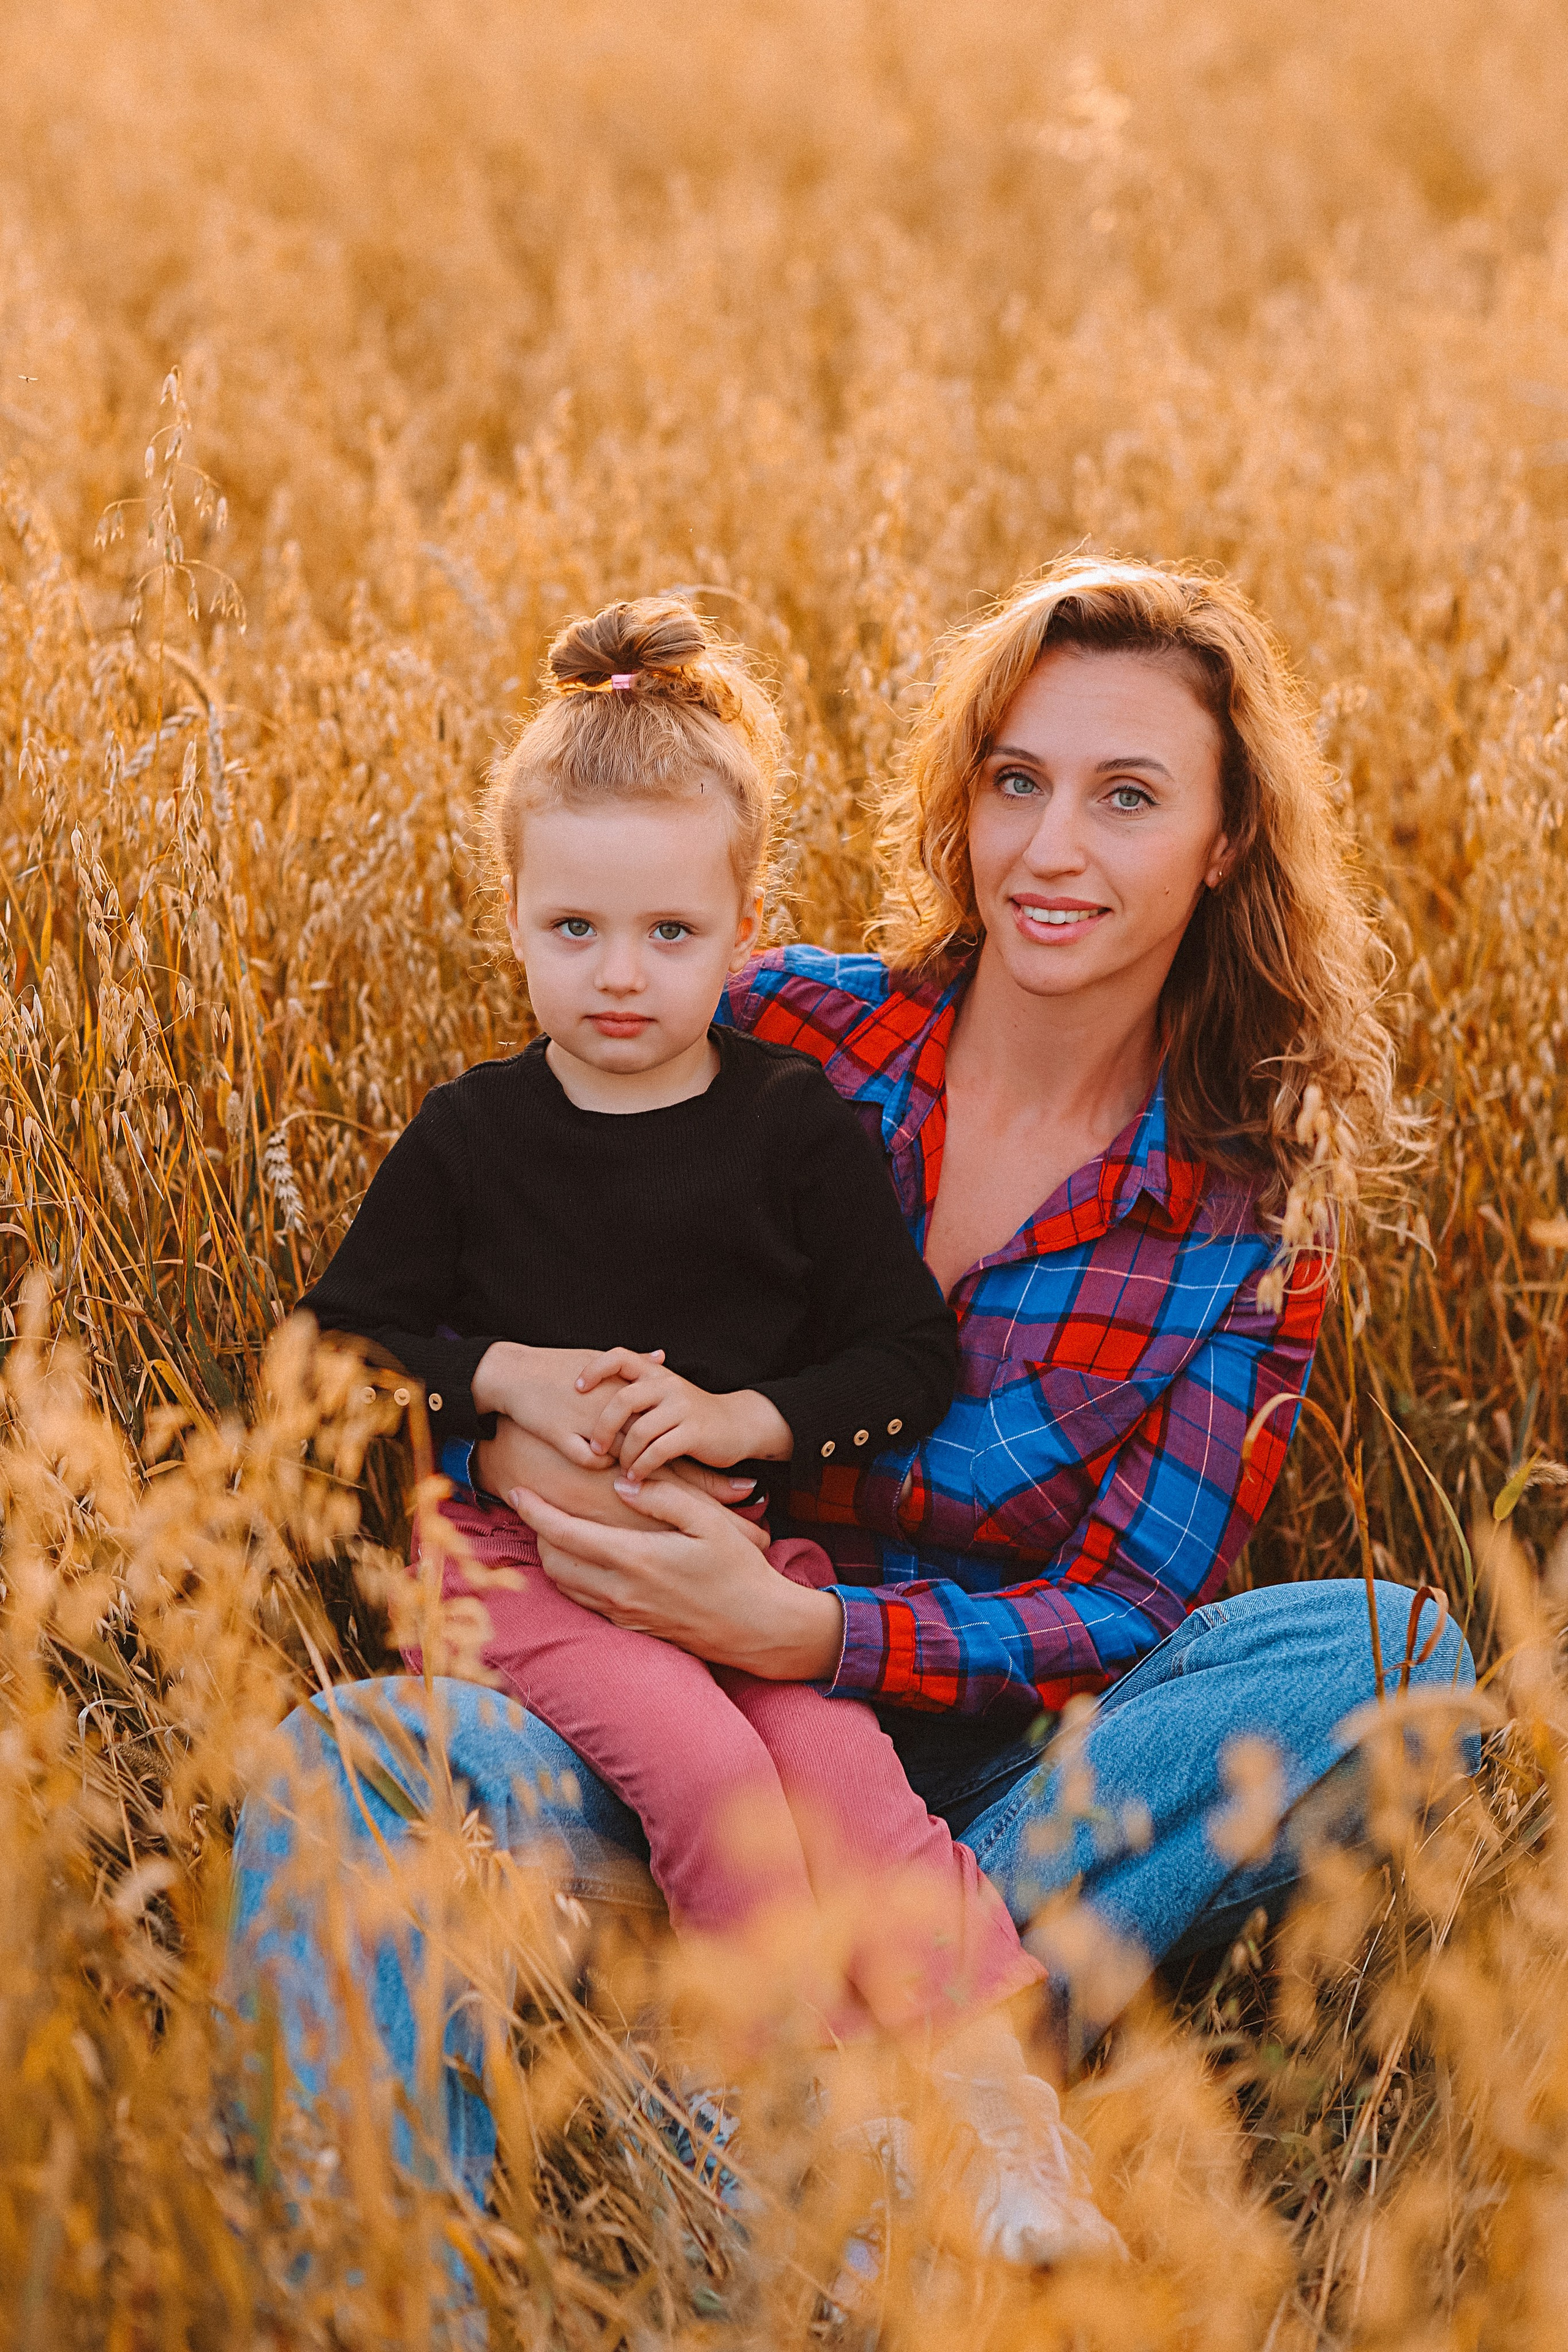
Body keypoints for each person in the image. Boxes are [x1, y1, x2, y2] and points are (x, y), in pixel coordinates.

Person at [232, 557, 1474, 2261]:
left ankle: (822, 2056)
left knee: (1393, 1653)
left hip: (999, 1799)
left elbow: (1126, 1608)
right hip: (640, 1720)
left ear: (1227, 838)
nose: (1051, 849)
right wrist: (512, 1436)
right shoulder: (776, 1027)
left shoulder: (1241, 1221)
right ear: (963, 803)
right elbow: (505, 1275)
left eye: (1127, 797)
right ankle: (389, 2286)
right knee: (343, 1766)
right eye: (1015, 782)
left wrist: (814, 1639)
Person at [291, 595, 1121, 2264]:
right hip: (522, 1566)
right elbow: (337, 1341)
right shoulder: (474, 1137)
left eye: (671, 933)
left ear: (748, 930)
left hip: (732, 1552)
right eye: (574, 928)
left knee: (841, 1768)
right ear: (514, 920)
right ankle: (797, 2130)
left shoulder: (788, 1129)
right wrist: (505, 1378)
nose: (618, 974)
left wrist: (741, 1412)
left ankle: (1007, 2130)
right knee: (708, 1766)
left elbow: (907, 1357)